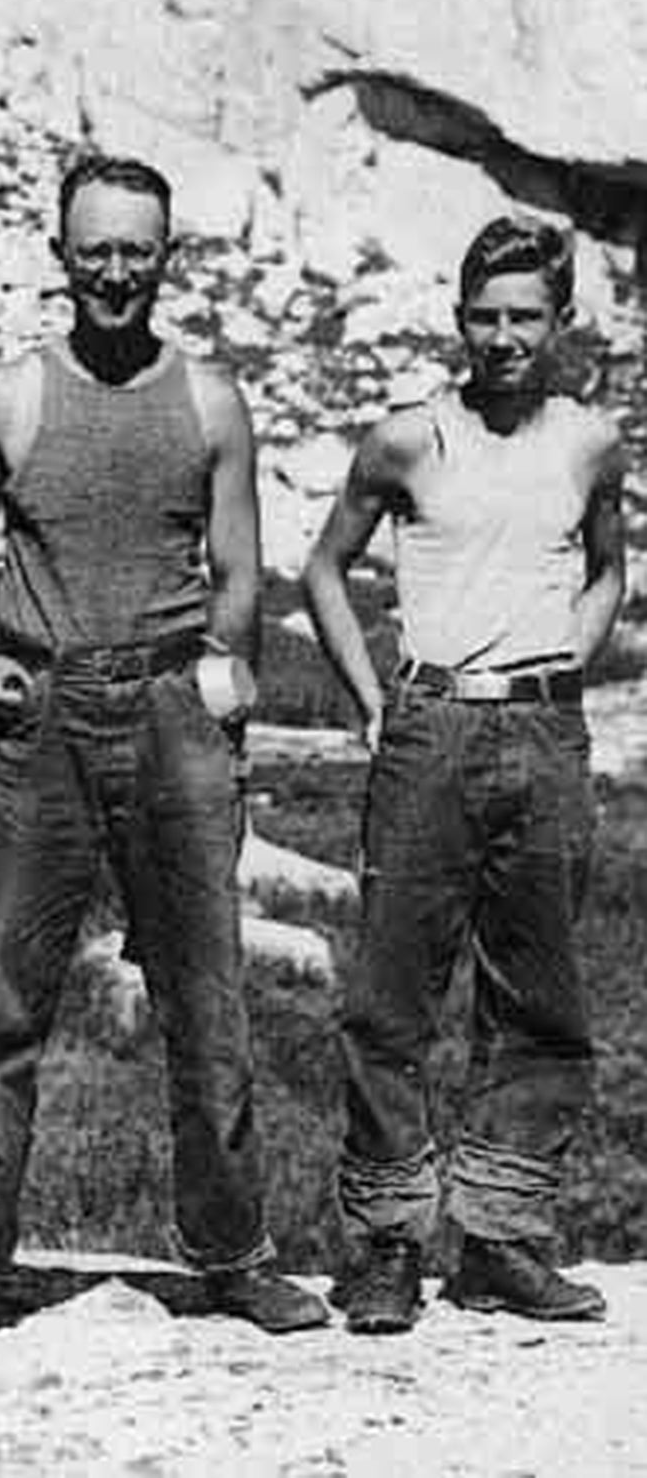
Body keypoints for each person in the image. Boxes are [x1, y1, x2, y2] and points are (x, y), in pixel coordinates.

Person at [0, 154, 329, 1356]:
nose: (112, 271)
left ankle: (234, 1255)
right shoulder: (8, 397)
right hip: (38, 713)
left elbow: (243, 562)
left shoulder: (209, 401)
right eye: (92, 248)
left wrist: (229, 669)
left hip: (167, 713)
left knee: (208, 997)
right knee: (7, 998)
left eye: (134, 250)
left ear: (166, 257)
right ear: (61, 255)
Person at [302, 215, 625, 1335]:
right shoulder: (407, 440)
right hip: (429, 731)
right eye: (484, 317)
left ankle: (501, 1240)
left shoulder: (590, 442)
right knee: (393, 996)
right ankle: (389, 1242)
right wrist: (374, 696)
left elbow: (608, 572)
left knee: (538, 997)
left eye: (524, 317)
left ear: (561, 323)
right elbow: (326, 569)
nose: (502, 338)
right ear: (458, 320)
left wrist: (562, 669)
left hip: (544, 734)